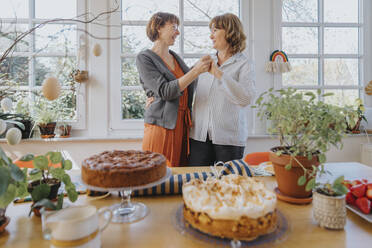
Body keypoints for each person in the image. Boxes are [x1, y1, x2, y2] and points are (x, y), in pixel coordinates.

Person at [136, 12, 212, 167]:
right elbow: (165, 91)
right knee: (157, 175)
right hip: (161, 126)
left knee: (178, 177)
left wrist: (201, 66)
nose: (178, 32)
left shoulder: (175, 57)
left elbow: (187, 82)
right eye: (174, 27)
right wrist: (196, 71)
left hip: (182, 126)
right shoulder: (145, 58)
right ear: (159, 28)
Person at [188, 13, 256, 166]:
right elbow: (183, 84)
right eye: (211, 31)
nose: (211, 36)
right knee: (197, 182)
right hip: (199, 136)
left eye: (215, 30)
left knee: (228, 185)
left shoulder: (245, 64)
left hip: (229, 140)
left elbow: (245, 99)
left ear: (230, 32)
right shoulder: (204, 62)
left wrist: (219, 74)